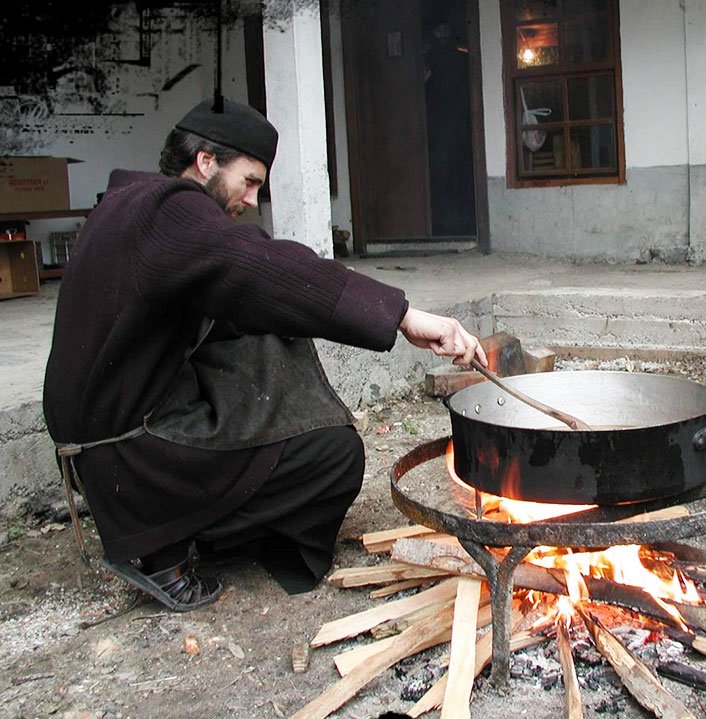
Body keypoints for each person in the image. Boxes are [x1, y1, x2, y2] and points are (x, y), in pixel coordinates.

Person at [42, 97, 486, 611]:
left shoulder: (136, 202)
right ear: (206, 161)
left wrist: (297, 315)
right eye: (249, 181)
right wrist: (403, 316)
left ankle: (182, 518)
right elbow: (259, 266)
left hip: (109, 432)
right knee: (333, 454)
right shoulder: (170, 212)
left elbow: (242, 288)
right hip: (129, 450)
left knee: (276, 331)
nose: (253, 199)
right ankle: (161, 546)